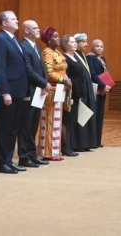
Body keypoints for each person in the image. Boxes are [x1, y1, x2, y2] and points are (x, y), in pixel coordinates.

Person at [0, 10, 28, 174]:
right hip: (9, 91)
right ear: (4, 23)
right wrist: (4, 91)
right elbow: (0, 68)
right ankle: (1, 162)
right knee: (4, 127)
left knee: (13, 128)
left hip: (18, 91)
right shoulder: (0, 39)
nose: (17, 21)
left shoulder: (13, 39)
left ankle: (8, 159)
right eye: (13, 19)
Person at [17, 20, 51, 168]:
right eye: (35, 28)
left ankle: (32, 154)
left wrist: (44, 82)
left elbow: (42, 68)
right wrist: (44, 83)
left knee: (33, 125)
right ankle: (24, 156)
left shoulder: (36, 46)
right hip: (29, 91)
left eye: (38, 27)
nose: (38, 30)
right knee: (25, 126)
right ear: (26, 31)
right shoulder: (23, 46)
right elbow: (29, 70)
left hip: (38, 91)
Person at [39, 27, 70, 161]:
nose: (58, 38)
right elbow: (49, 73)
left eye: (58, 36)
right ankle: (47, 151)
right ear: (48, 39)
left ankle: (55, 150)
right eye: (55, 37)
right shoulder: (47, 52)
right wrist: (64, 79)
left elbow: (62, 69)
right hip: (51, 90)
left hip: (60, 90)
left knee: (57, 121)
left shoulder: (57, 51)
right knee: (50, 121)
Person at [71, 33, 98, 151]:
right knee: (80, 117)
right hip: (81, 91)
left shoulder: (82, 55)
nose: (86, 44)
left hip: (87, 90)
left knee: (87, 115)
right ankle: (79, 144)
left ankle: (87, 142)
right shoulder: (74, 55)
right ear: (76, 43)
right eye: (83, 42)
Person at [86, 39, 111, 148]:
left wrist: (109, 86)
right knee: (94, 114)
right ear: (92, 47)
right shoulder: (89, 58)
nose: (99, 48)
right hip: (95, 89)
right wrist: (103, 85)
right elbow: (93, 74)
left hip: (103, 90)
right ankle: (91, 141)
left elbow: (106, 73)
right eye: (97, 46)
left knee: (100, 115)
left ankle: (97, 141)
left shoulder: (102, 59)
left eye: (101, 46)